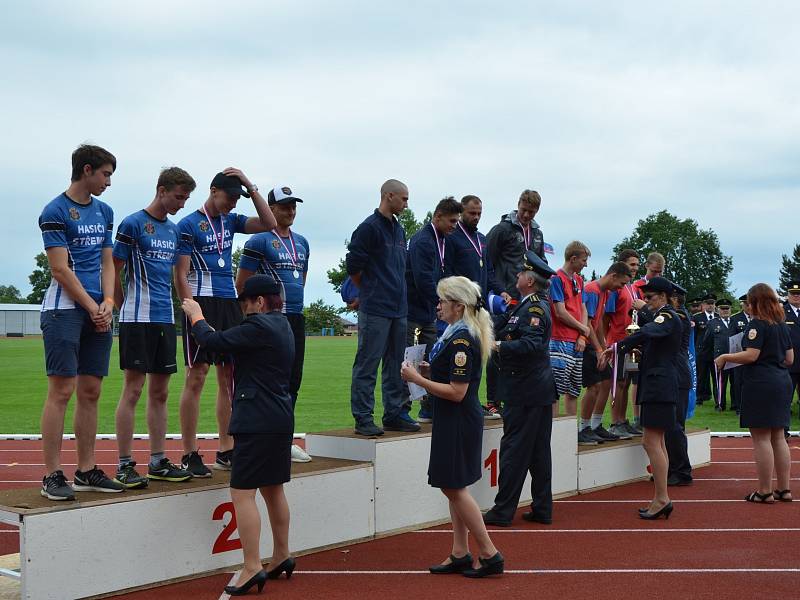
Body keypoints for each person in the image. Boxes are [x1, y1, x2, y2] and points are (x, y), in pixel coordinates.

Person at [182, 275, 296, 595]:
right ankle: (282, 554)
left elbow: (214, 341)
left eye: (245, 302)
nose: (243, 309)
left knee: (243, 494)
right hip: (280, 417)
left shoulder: (258, 326)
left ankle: (251, 565)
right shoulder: (283, 325)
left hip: (255, 419)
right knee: (274, 490)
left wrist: (196, 315)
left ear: (259, 302)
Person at [400, 276, 503, 578]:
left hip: (457, 418)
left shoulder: (460, 340)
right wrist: (433, 371)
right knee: (455, 485)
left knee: (453, 486)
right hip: (454, 418)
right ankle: (460, 551)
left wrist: (418, 380)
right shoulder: (458, 333)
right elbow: (455, 379)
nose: (438, 305)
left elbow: (457, 392)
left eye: (443, 300)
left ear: (458, 306)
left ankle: (489, 552)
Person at [176, 168, 276, 477]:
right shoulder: (188, 224)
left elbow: (270, 223)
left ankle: (226, 447)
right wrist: (190, 307)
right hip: (201, 300)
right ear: (213, 190)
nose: (234, 203)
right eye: (230, 197)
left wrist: (250, 185)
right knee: (197, 375)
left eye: (237, 198)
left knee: (229, 375)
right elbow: (180, 272)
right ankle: (189, 452)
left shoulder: (231, 222)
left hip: (229, 300)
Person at [38, 144, 124, 500]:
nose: (108, 182)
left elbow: (107, 262)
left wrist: (107, 302)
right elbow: (59, 268)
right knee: (62, 391)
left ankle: (87, 470)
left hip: (97, 310)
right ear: (86, 170)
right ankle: (51, 475)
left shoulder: (105, 211)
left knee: (92, 391)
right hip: (64, 311)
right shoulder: (55, 211)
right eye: (105, 174)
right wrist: (92, 305)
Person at [112, 167, 196, 488]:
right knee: (133, 390)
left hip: (165, 319)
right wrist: (122, 307)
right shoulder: (133, 223)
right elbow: (114, 269)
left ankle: (158, 460)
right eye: (178, 197)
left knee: (160, 392)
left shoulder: (174, 231)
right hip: (136, 318)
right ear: (161, 190)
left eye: (186, 198)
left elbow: (176, 278)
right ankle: (123, 464)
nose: (181, 204)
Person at [481, 251, 557, 527]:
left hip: (525, 391)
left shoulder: (534, 309)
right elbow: (502, 328)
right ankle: (542, 508)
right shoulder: (524, 306)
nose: (516, 276)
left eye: (520, 273)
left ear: (530, 280)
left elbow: (531, 345)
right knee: (538, 453)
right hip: (534, 390)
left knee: (513, 451)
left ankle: (502, 510)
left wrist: (498, 346)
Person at [237, 185, 312, 463]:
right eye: (284, 206)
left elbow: (300, 280)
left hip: (295, 318)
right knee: (269, 381)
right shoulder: (258, 241)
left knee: (293, 381)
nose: (290, 211)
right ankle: (260, 438)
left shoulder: (302, 242)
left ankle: (284, 440)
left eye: (293, 206)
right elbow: (241, 285)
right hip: (269, 320)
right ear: (270, 209)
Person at [603, 276, 682, 519]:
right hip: (658, 383)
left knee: (651, 442)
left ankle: (662, 497)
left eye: (650, 297)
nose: (646, 302)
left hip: (659, 384)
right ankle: (661, 497)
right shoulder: (665, 316)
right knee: (656, 442)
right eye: (645, 298)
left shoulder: (667, 316)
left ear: (663, 297)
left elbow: (649, 331)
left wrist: (618, 346)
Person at [714, 283, 793, 503]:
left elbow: (751, 355)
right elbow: (790, 359)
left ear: (756, 303)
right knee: (779, 436)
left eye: (749, 302)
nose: (747, 307)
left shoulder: (756, 325)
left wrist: (725, 357)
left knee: (761, 438)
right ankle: (784, 489)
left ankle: (765, 490)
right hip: (782, 381)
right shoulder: (782, 326)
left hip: (761, 383)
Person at [346, 179, 412, 436]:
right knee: (367, 363)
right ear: (389, 196)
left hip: (399, 308)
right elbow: (353, 267)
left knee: (397, 363)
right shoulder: (368, 228)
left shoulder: (399, 229)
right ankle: (363, 418)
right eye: (404, 199)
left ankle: (394, 414)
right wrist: (369, 290)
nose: (406, 204)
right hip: (376, 308)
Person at [449, 195, 511, 419]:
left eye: (479, 214)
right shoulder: (452, 238)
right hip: (460, 309)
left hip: (480, 310)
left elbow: (490, 273)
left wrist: (500, 289)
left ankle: (473, 401)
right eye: (471, 213)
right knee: (461, 355)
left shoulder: (482, 239)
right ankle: (460, 402)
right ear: (461, 212)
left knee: (478, 355)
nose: (475, 217)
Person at [405, 197, 463, 423]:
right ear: (437, 217)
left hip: (428, 310)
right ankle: (402, 410)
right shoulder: (422, 241)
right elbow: (423, 279)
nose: (454, 226)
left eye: (457, 222)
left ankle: (430, 408)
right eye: (451, 221)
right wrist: (441, 303)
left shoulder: (442, 239)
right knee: (408, 359)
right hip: (413, 309)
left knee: (433, 358)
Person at [579, 262, 632, 444]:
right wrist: (599, 348)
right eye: (622, 283)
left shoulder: (605, 292)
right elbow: (588, 324)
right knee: (593, 385)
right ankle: (583, 427)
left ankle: (595, 424)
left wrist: (603, 346)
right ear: (613, 275)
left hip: (594, 344)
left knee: (608, 380)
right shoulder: (592, 290)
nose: (621, 287)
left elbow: (600, 323)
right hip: (584, 343)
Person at [548, 241, 592, 417]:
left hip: (576, 341)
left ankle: (570, 433)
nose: (586, 264)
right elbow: (560, 312)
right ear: (573, 259)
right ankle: (554, 432)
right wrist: (583, 327)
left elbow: (583, 308)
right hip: (559, 340)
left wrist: (582, 335)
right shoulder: (556, 279)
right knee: (555, 391)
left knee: (574, 390)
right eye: (583, 260)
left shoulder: (579, 280)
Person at [604, 249, 641, 439]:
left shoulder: (633, 288)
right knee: (618, 383)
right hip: (617, 341)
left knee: (626, 383)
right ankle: (615, 421)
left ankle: (622, 420)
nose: (635, 268)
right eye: (632, 264)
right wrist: (606, 342)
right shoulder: (616, 288)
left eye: (637, 264)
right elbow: (606, 316)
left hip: (631, 343)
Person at [486, 189, 546, 299]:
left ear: (537, 210)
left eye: (531, 212)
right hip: (506, 296)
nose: (526, 215)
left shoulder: (538, 234)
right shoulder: (501, 230)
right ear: (518, 204)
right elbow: (487, 262)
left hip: (529, 296)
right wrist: (497, 290)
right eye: (523, 210)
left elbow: (541, 263)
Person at [666, 282, 693, 486]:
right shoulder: (678, 315)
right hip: (675, 374)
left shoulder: (680, 317)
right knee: (671, 425)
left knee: (675, 426)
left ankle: (682, 470)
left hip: (677, 375)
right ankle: (673, 468)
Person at [704, 298, 734, 411]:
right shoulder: (712, 323)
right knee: (720, 382)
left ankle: (736, 405)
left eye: (727, 309)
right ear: (718, 309)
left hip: (735, 356)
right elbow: (707, 341)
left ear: (730, 309)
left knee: (735, 382)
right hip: (719, 356)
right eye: (722, 309)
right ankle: (720, 404)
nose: (725, 311)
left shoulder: (736, 321)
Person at [693, 293, 718, 405]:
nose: (710, 306)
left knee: (716, 376)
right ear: (703, 305)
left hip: (715, 351)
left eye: (712, 303)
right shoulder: (697, 317)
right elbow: (694, 335)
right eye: (708, 303)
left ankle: (718, 398)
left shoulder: (718, 317)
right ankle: (699, 397)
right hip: (702, 352)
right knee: (701, 375)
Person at [729, 294, 752, 414]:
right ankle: (739, 407)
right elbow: (732, 337)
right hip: (740, 354)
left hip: (754, 356)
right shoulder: (735, 318)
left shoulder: (758, 317)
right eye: (746, 304)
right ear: (742, 305)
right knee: (739, 382)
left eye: (750, 304)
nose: (748, 307)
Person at [783, 281, 800, 408]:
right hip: (789, 363)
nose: (796, 296)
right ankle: (784, 428)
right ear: (787, 294)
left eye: (799, 294)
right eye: (793, 293)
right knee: (785, 399)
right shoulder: (781, 312)